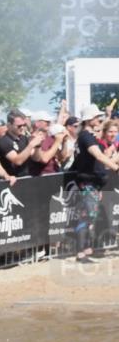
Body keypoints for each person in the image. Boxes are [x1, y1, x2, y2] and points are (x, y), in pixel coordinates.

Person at [68, 104, 119, 263]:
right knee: (86, 217)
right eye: (96, 117)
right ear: (89, 119)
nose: (99, 119)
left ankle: (86, 249)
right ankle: (81, 253)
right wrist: (116, 167)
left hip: (92, 182)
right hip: (88, 182)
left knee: (89, 217)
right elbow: (98, 155)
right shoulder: (86, 136)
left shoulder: (86, 136)